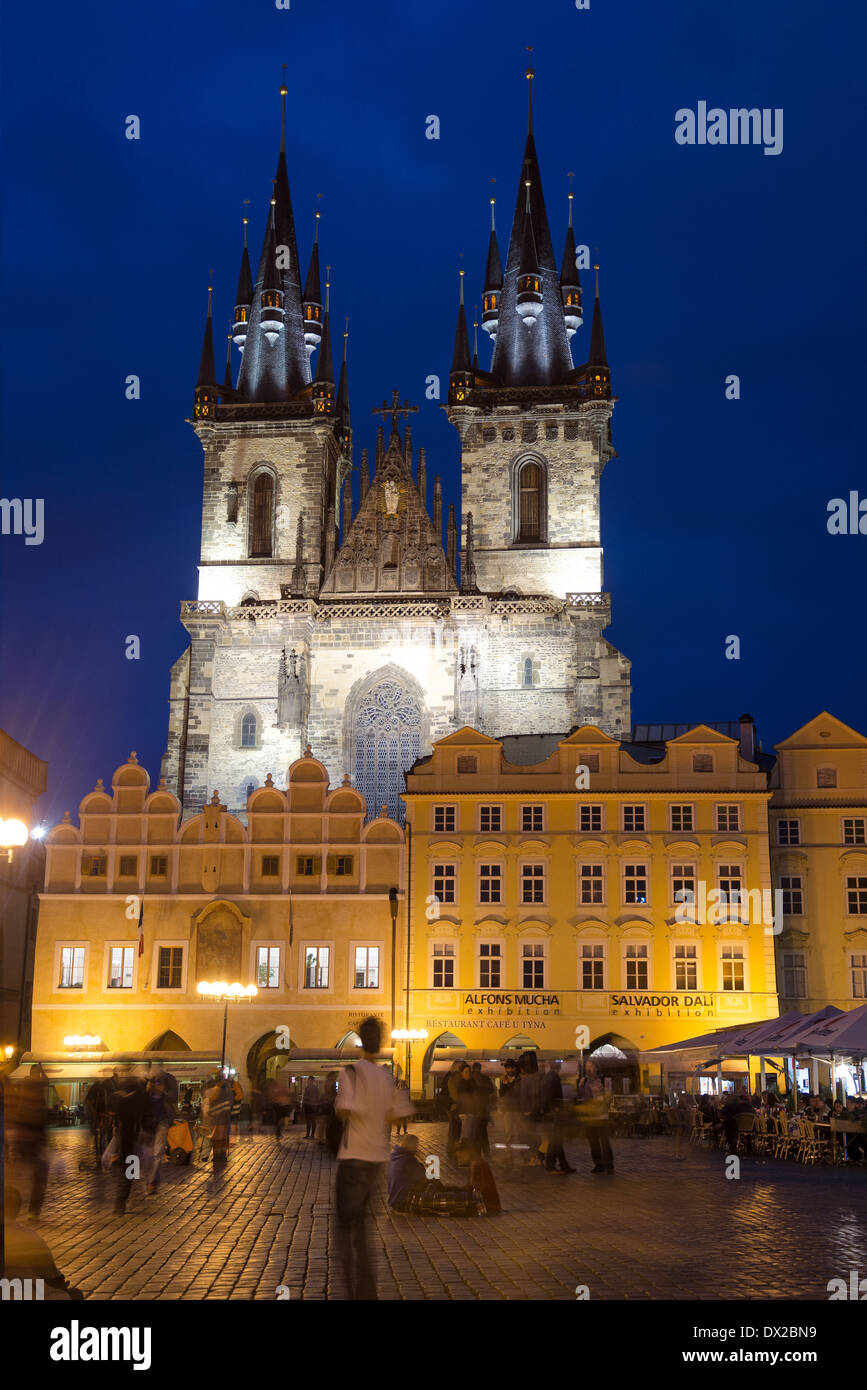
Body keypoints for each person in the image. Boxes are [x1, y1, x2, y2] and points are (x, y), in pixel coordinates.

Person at [333, 1016, 413, 1300]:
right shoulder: (386, 1076)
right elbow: (399, 1115)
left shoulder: (351, 1072)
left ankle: (351, 1290)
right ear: (380, 1043)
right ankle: (367, 1292)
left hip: (353, 1156)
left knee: (345, 1229)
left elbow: (344, 1110)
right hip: (378, 1160)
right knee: (365, 1228)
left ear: (359, 1041)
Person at [6, 1064, 50, 1220]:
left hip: (20, 1138)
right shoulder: (38, 1089)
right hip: (34, 1139)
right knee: (39, 1177)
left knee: (16, 1175)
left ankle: (10, 1207)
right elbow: (47, 1081)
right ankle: (33, 1210)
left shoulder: (22, 1087)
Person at [110, 1067, 146, 1212]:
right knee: (129, 1172)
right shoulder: (136, 1100)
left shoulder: (121, 1102)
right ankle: (123, 1201)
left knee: (126, 1171)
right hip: (133, 1139)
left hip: (124, 1139)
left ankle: (124, 1199)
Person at [141, 1067, 175, 1195]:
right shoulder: (145, 1092)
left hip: (162, 1122)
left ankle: (152, 1182)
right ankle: (149, 1179)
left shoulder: (165, 1090)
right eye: (153, 1080)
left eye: (158, 1080)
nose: (156, 1083)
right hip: (147, 1125)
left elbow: (173, 1098)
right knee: (147, 1155)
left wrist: (163, 1092)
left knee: (158, 1153)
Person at [576, 1060, 614, 1173]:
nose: (588, 1069)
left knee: (604, 1141)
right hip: (589, 1117)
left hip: (601, 1116)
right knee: (593, 1142)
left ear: (596, 1068)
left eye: (591, 1066)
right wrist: (580, 1086)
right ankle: (598, 1164)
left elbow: (609, 1096)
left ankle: (608, 1164)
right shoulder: (584, 1081)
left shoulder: (604, 1080)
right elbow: (580, 1096)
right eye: (587, 1067)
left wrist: (598, 1101)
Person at [540, 1062, 574, 1173]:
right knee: (555, 1141)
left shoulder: (548, 1077)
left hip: (550, 1113)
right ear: (559, 1067)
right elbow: (551, 1096)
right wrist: (555, 1109)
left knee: (557, 1141)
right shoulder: (553, 1077)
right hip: (554, 1113)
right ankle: (551, 1165)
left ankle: (564, 1165)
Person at [387, 1133, 428, 1211]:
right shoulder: (409, 1160)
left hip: (393, 1198)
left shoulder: (394, 1155)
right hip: (403, 1201)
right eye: (416, 1146)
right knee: (431, 1184)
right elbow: (422, 1177)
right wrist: (420, 1165)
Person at [470, 1062, 495, 1155]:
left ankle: (479, 1150)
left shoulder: (473, 1078)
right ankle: (484, 1149)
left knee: (477, 1130)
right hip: (481, 1106)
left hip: (478, 1106)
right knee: (481, 1130)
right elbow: (491, 1090)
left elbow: (491, 1089)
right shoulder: (484, 1078)